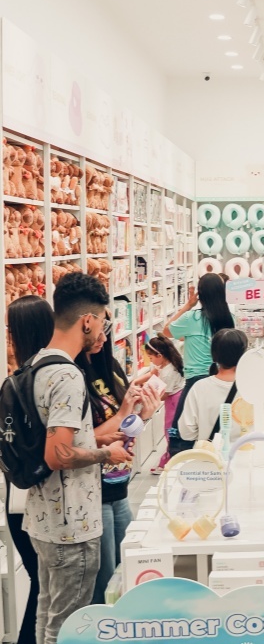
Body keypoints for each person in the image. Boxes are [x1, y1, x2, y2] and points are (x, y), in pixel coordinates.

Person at [26, 273, 130, 644]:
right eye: (102, 321)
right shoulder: (68, 376)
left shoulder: (38, 363)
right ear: (87, 320)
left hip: (43, 519)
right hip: (72, 523)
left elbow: (56, 440)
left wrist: (98, 437)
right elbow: (58, 454)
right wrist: (106, 453)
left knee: (48, 616)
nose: (103, 330)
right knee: (70, 626)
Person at [76, 315, 159, 605]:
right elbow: (81, 440)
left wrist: (143, 415)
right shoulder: (73, 376)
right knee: (106, 588)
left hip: (119, 487)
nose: (103, 337)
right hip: (93, 491)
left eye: (107, 330)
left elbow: (124, 430)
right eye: (100, 329)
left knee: (127, 576)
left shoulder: (109, 367)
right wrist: (125, 411)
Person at [4, 295, 53, 643]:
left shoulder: (19, 381)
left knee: (41, 585)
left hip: (19, 496)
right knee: (45, 587)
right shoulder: (45, 380)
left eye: (10, 329)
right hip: (40, 499)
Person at [163, 274, 235, 452]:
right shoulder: (230, 319)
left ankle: (186, 461)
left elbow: (166, 331)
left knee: (179, 433)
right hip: (222, 379)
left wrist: (188, 305)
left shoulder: (192, 318)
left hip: (195, 381)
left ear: (200, 295)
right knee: (221, 426)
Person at [177, 329, 248, 443]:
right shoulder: (253, 387)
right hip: (247, 452)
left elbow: (186, 433)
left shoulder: (199, 388)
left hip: (211, 452)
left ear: (213, 354)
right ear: (244, 355)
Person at [132, 336, 185, 473]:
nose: (150, 360)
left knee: (170, 430)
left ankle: (170, 461)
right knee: (170, 430)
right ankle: (169, 459)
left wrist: (146, 399)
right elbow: (152, 374)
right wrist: (135, 382)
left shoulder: (168, 373)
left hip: (173, 401)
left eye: (151, 357)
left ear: (159, 355)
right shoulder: (165, 364)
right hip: (172, 399)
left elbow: (164, 394)